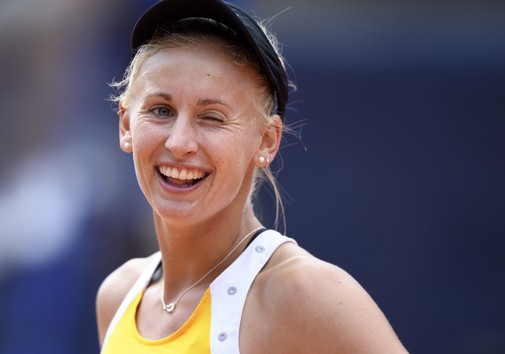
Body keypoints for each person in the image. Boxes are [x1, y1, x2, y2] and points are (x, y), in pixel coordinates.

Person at [96, 0, 408, 352]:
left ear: (266, 140)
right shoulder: (118, 296)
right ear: (126, 124)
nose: (179, 142)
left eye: (211, 117)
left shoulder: (305, 294)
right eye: (161, 110)